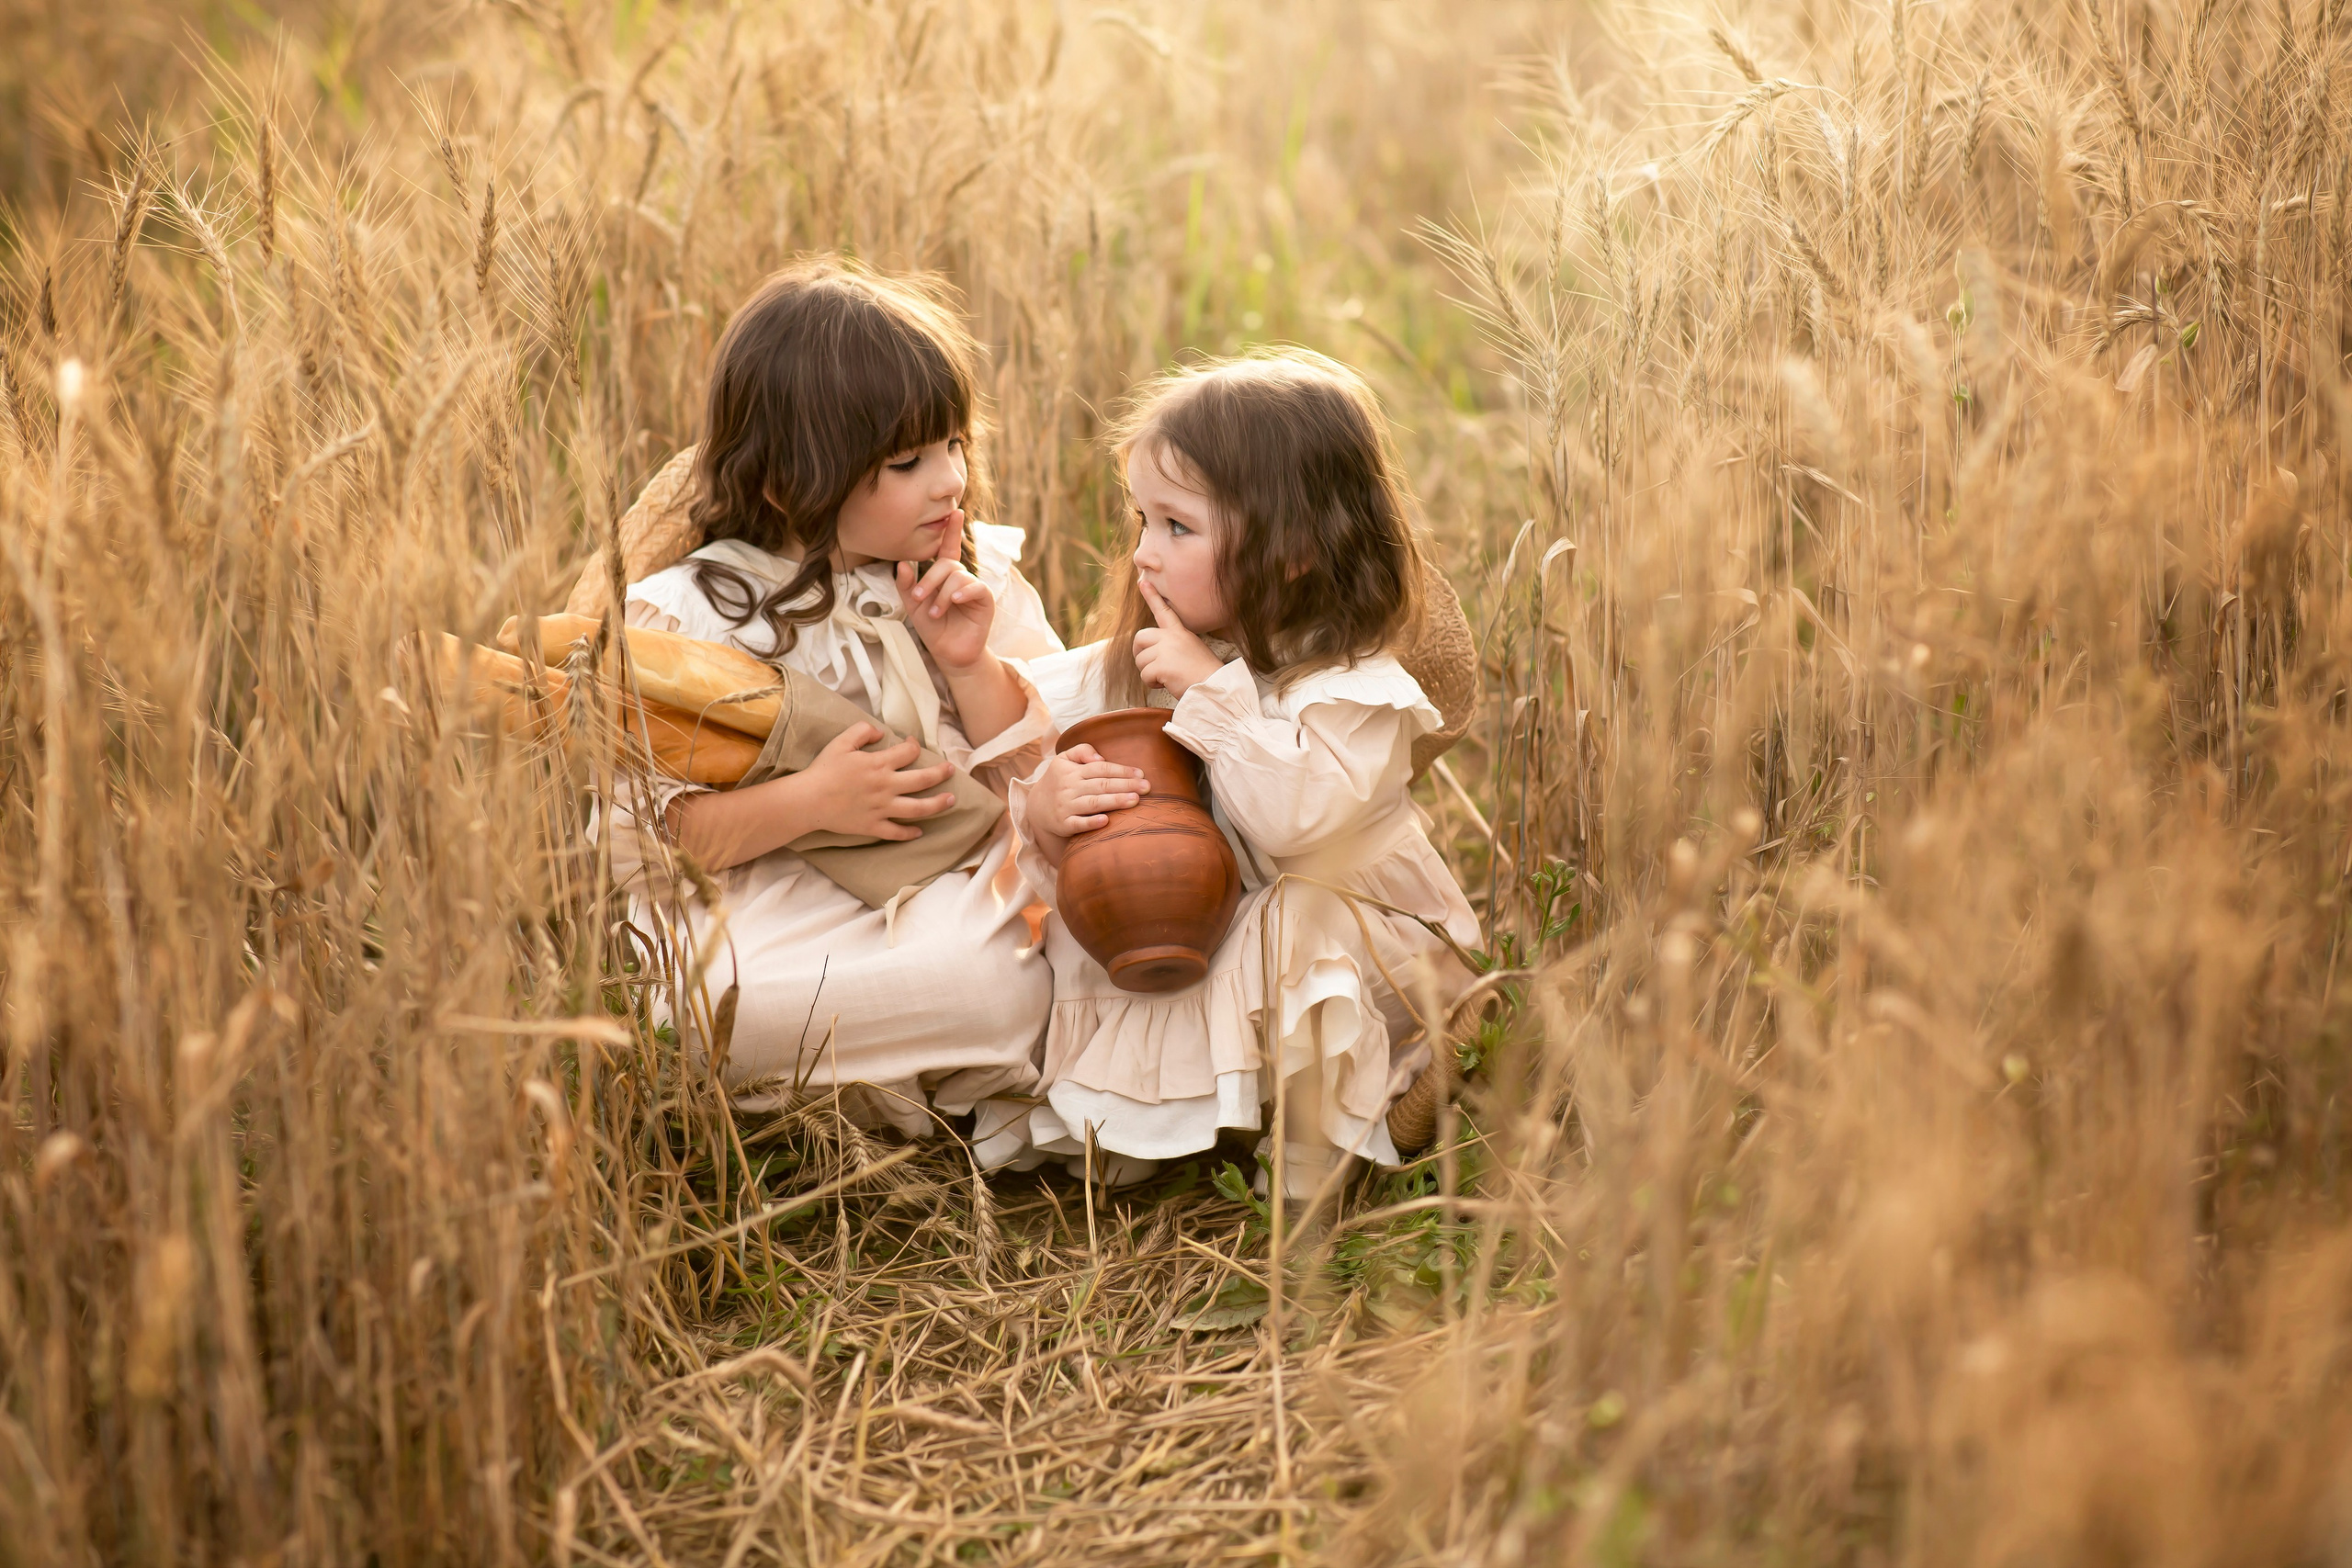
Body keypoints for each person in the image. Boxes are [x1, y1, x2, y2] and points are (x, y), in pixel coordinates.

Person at [980, 350, 1480, 1196]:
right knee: (1095, 930)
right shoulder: (1183, 653)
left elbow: (1290, 821)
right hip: (1214, 926)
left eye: (1177, 527)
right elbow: (1034, 711)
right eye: (1141, 521)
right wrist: (1046, 800)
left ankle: (1341, 1126)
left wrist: (1211, 693)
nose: (1143, 554)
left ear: (1290, 552)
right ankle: (1176, 1120)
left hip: (1363, 944)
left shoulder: (1356, 694)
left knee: (1291, 929)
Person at [604, 259, 1062, 1135]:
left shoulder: (970, 573)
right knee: (707, 1016)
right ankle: (924, 1067)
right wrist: (815, 803)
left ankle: (910, 1066)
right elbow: (638, 838)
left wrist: (967, 665)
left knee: (1035, 958)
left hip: (952, 886)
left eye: (955, 444)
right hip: (767, 904)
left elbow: (1043, 762)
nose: (951, 481)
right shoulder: (694, 614)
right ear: (788, 484)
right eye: (906, 461)